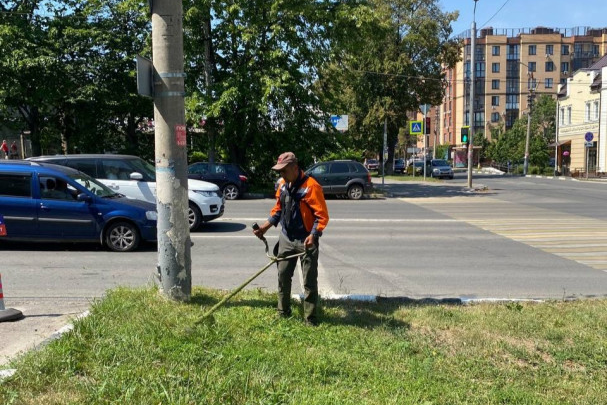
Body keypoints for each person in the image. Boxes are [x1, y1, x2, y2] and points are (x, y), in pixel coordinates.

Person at [253, 152, 329, 326]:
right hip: (286, 237)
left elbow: (322, 216)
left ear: (295, 168)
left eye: (284, 171)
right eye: (279, 172)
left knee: (309, 281)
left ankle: (310, 319)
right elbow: (278, 210)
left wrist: (314, 234)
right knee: (283, 275)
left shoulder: (311, 187)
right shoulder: (283, 185)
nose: (281, 175)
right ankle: (283, 311)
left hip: (306, 239)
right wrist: (265, 227)